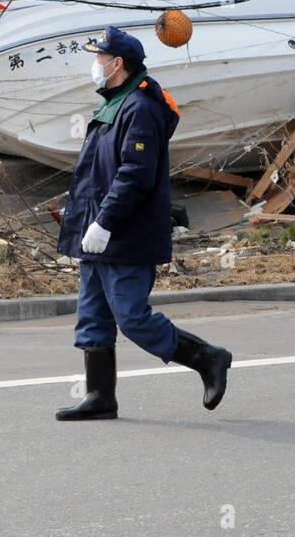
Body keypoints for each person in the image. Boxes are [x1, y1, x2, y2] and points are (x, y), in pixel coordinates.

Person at [55, 26, 232, 420]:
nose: (95, 66)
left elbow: (134, 175)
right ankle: (100, 397)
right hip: (97, 232)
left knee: (131, 316)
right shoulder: (114, 102)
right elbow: (96, 174)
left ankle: (207, 359)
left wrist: (104, 223)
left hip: (125, 234)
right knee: (92, 316)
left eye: (99, 59)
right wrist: (87, 225)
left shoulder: (140, 107)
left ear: (117, 64)